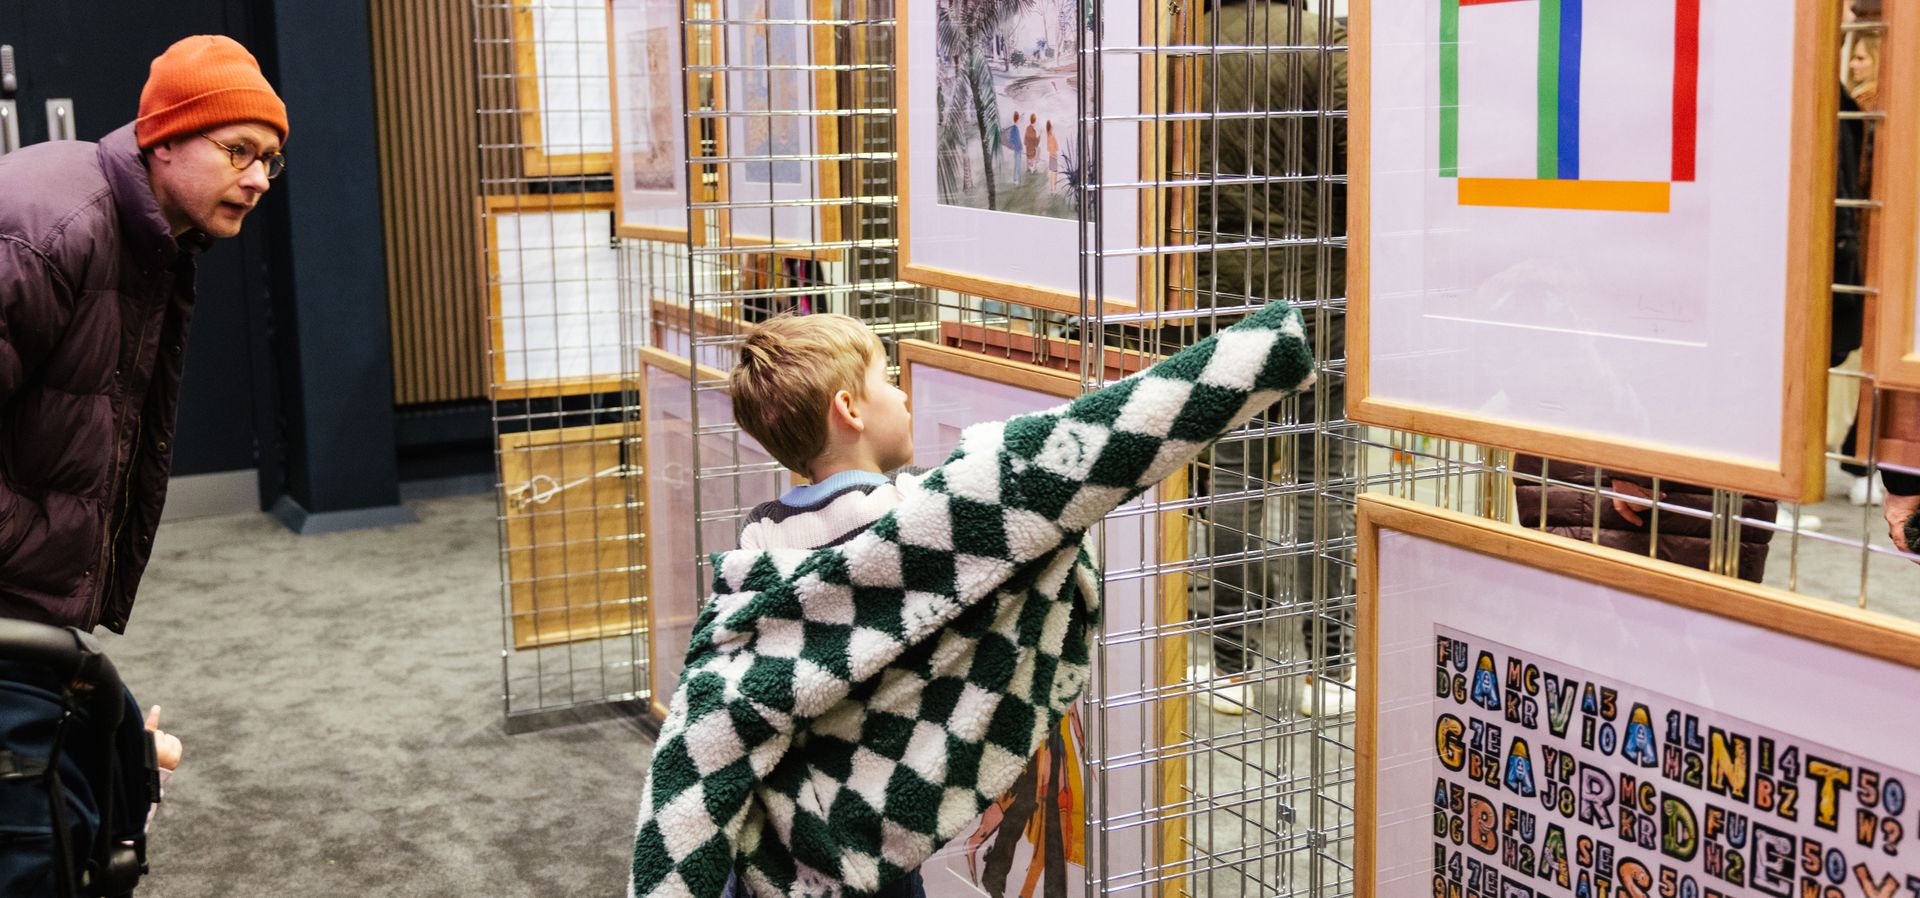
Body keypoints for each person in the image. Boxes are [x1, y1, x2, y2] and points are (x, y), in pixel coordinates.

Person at [630, 303, 1316, 898]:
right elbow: (1119, 433)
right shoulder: (925, 529)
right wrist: (1270, 346)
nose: (902, 396)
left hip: (793, 854)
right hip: (880, 852)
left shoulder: (760, 556)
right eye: (888, 381)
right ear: (850, 408)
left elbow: (704, 745)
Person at [0, 35, 286, 634]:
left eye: (269, 159)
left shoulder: (153, 240)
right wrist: (26, 544)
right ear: (166, 138)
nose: (259, 179)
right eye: (239, 151)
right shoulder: (56, 232)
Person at [1189, 0, 1352, 717]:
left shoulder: (1193, 45)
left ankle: (1229, 668)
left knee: (1233, 471)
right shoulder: (1332, 38)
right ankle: (1331, 665)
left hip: (1224, 284)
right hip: (1321, 287)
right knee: (1322, 474)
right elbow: (1357, 159)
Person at [1006, 109, 1023, 187]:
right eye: (1019, 119)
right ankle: (1016, 179)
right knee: (1017, 164)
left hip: (1018, 149)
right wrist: (1017, 146)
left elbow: (1015, 139)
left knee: (1018, 164)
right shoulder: (1014, 128)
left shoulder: (1015, 128)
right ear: (1017, 119)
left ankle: (1018, 179)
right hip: (1017, 150)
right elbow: (1013, 139)